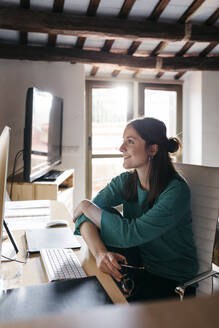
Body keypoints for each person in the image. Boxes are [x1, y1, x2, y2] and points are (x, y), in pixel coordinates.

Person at [73, 117, 198, 302]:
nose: (121, 148)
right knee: (86, 292)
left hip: (172, 282)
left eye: (130, 141)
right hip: (139, 266)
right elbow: (85, 217)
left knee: (101, 306)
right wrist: (100, 254)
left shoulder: (176, 191)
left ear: (152, 149)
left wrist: (85, 205)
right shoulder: (126, 181)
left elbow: (130, 234)